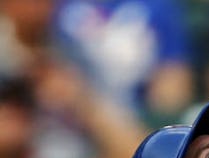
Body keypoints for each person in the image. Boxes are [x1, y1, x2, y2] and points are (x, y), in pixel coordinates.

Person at [50, 0, 195, 118]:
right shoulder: (57, 8)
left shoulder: (158, 7)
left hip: (133, 118)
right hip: (68, 116)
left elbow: (172, 92)